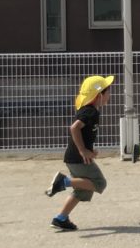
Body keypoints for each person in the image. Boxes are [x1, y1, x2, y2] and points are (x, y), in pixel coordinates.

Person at [46, 75, 114, 231]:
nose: (110, 95)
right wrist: (83, 151)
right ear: (99, 95)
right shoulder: (90, 112)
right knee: (99, 183)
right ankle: (63, 182)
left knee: (82, 189)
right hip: (78, 158)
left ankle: (60, 219)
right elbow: (74, 128)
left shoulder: (88, 110)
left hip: (74, 157)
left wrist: (88, 149)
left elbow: (83, 133)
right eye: (108, 91)